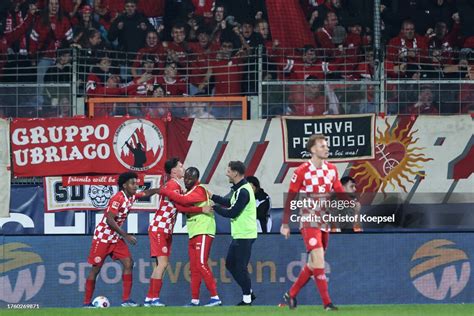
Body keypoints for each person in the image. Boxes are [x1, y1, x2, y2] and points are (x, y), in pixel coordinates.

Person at [280, 134, 345, 311]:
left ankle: (291, 294)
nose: (327, 148)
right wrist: (285, 223)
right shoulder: (301, 171)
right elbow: (291, 197)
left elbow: (339, 190)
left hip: (324, 220)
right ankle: (327, 303)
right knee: (319, 260)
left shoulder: (332, 169)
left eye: (327, 145)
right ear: (313, 150)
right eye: (323, 146)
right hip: (308, 219)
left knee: (314, 263)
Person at [83, 172, 160, 308]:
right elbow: (109, 219)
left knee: (129, 263)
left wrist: (159, 190)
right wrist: (126, 235)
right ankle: (86, 304)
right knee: (96, 270)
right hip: (103, 237)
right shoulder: (118, 198)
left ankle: (126, 301)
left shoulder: (130, 196)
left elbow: (145, 193)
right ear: (124, 185)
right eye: (132, 183)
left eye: (136, 183)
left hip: (115, 237)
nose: (136, 186)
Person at [144, 158, 205, 307]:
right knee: (162, 264)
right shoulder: (172, 184)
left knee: (160, 264)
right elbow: (182, 205)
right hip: (160, 228)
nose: (183, 168)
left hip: (164, 229)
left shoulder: (176, 185)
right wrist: (201, 209)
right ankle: (154, 299)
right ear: (173, 171)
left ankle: (150, 298)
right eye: (180, 166)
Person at [159, 167, 221, 307]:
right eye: (185, 178)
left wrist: (165, 190)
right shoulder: (189, 191)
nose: (186, 180)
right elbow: (182, 208)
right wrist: (199, 209)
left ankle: (215, 297)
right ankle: (194, 300)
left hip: (204, 230)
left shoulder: (200, 189)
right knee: (194, 268)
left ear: (196, 179)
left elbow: (184, 201)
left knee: (201, 263)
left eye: (190, 178)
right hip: (194, 232)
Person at [210, 161, 257, 306]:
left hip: (245, 234)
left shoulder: (243, 191)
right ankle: (248, 291)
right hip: (239, 234)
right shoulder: (240, 189)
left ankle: (247, 299)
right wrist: (213, 196)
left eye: (229, 171)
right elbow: (229, 201)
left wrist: (215, 208)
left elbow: (233, 212)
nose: (227, 173)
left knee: (240, 267)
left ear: (236, 173)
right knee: (230, 264)